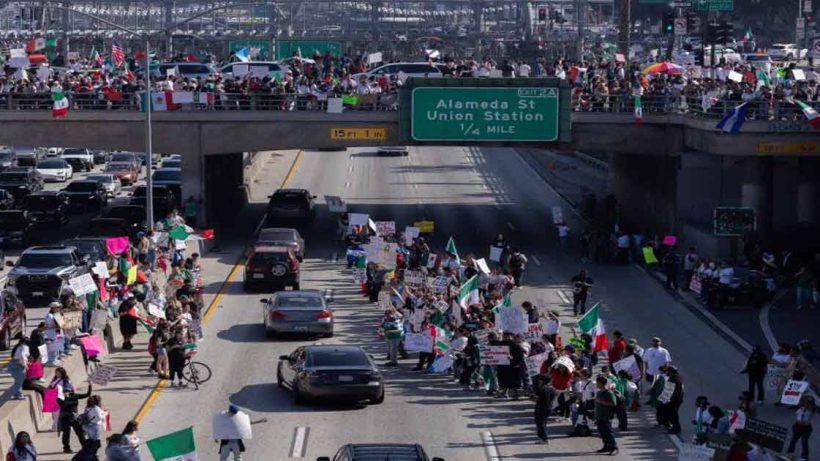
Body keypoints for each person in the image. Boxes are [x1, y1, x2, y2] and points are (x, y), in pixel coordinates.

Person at [60, 383, 92, 453]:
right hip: (66, 418)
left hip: (74, 417)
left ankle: (85, 447)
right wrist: (66, 398)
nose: (66, 392)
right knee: (66, 433)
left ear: (71, 391)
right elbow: (64, 404)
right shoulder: (61, 398)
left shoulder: (75, 396)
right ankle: (66, 448)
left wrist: (90, 386)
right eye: (64, 391)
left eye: (67, 391)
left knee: (80, 433)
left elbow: (87, 394)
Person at [594, 375, 618, 454]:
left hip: (606, 416)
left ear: (601, 383)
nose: (596, 384)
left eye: (597, 383)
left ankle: (614, 447)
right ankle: (606, 446)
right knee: (602, 432)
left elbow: (613, 403)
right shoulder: (599, 392)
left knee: (608, 432)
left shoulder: (608, 392)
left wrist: (602, 402)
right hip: (599, 415)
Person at [786, 395, 815, 461]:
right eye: (806, 403)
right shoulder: (800, 408)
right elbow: (798, 405)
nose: (807, 404)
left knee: (804, 441)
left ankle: (804, 457)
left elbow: (811, 408)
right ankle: (790, 453)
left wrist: (807, 404)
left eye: (808, 403)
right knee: (793, 440)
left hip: (806, 428)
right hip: (797, 426)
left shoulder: (811, 410)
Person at [533, 374, 557, 444]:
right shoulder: (553, 389)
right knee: (544, 423)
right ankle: (542, 438)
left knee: (540, 424)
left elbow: (537, 398)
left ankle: (544, 438)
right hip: (549, 407)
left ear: (543, 381)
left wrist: (532, 397)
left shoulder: (542, 388)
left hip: (541, 407)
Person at [8, 336, 30, 400]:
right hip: (19, 366)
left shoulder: (17, 346)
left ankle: (17, 394)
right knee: (19, 381)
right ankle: (18, 395)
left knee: (17, 381)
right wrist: (25, 365)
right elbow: (22, 356)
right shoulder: (24, 347)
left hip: (12, 364)